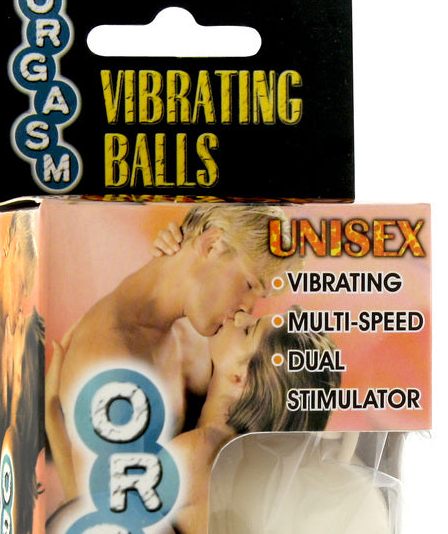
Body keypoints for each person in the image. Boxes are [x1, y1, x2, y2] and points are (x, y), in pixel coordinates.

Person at [47, 204, 290, 501]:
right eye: (249, 284)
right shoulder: (112, 359)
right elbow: (108, 518)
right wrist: (54, 426)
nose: (247, 310)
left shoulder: (198, 327)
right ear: (213, 244)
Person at [169, 307, 340, 534]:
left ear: (242, 377)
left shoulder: (195, 456)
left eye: (249, 329)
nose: (239, 317)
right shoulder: (231, 469)